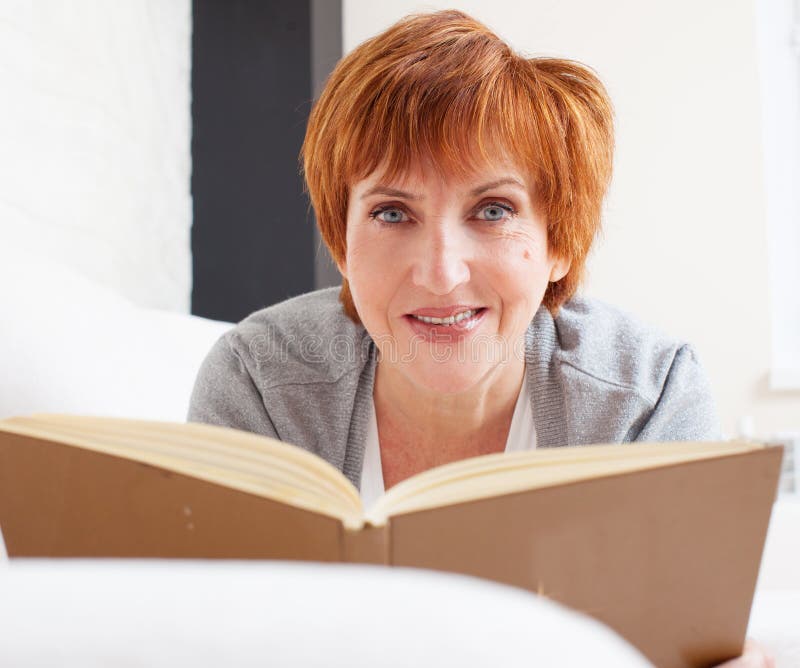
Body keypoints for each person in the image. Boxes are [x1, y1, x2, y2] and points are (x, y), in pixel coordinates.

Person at [188, 10, 771, 667]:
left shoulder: (648, 395)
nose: (441, 273)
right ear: (341, 241)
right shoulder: (258, 379)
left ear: (557, 244)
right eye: (391, 212)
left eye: (493, 211)